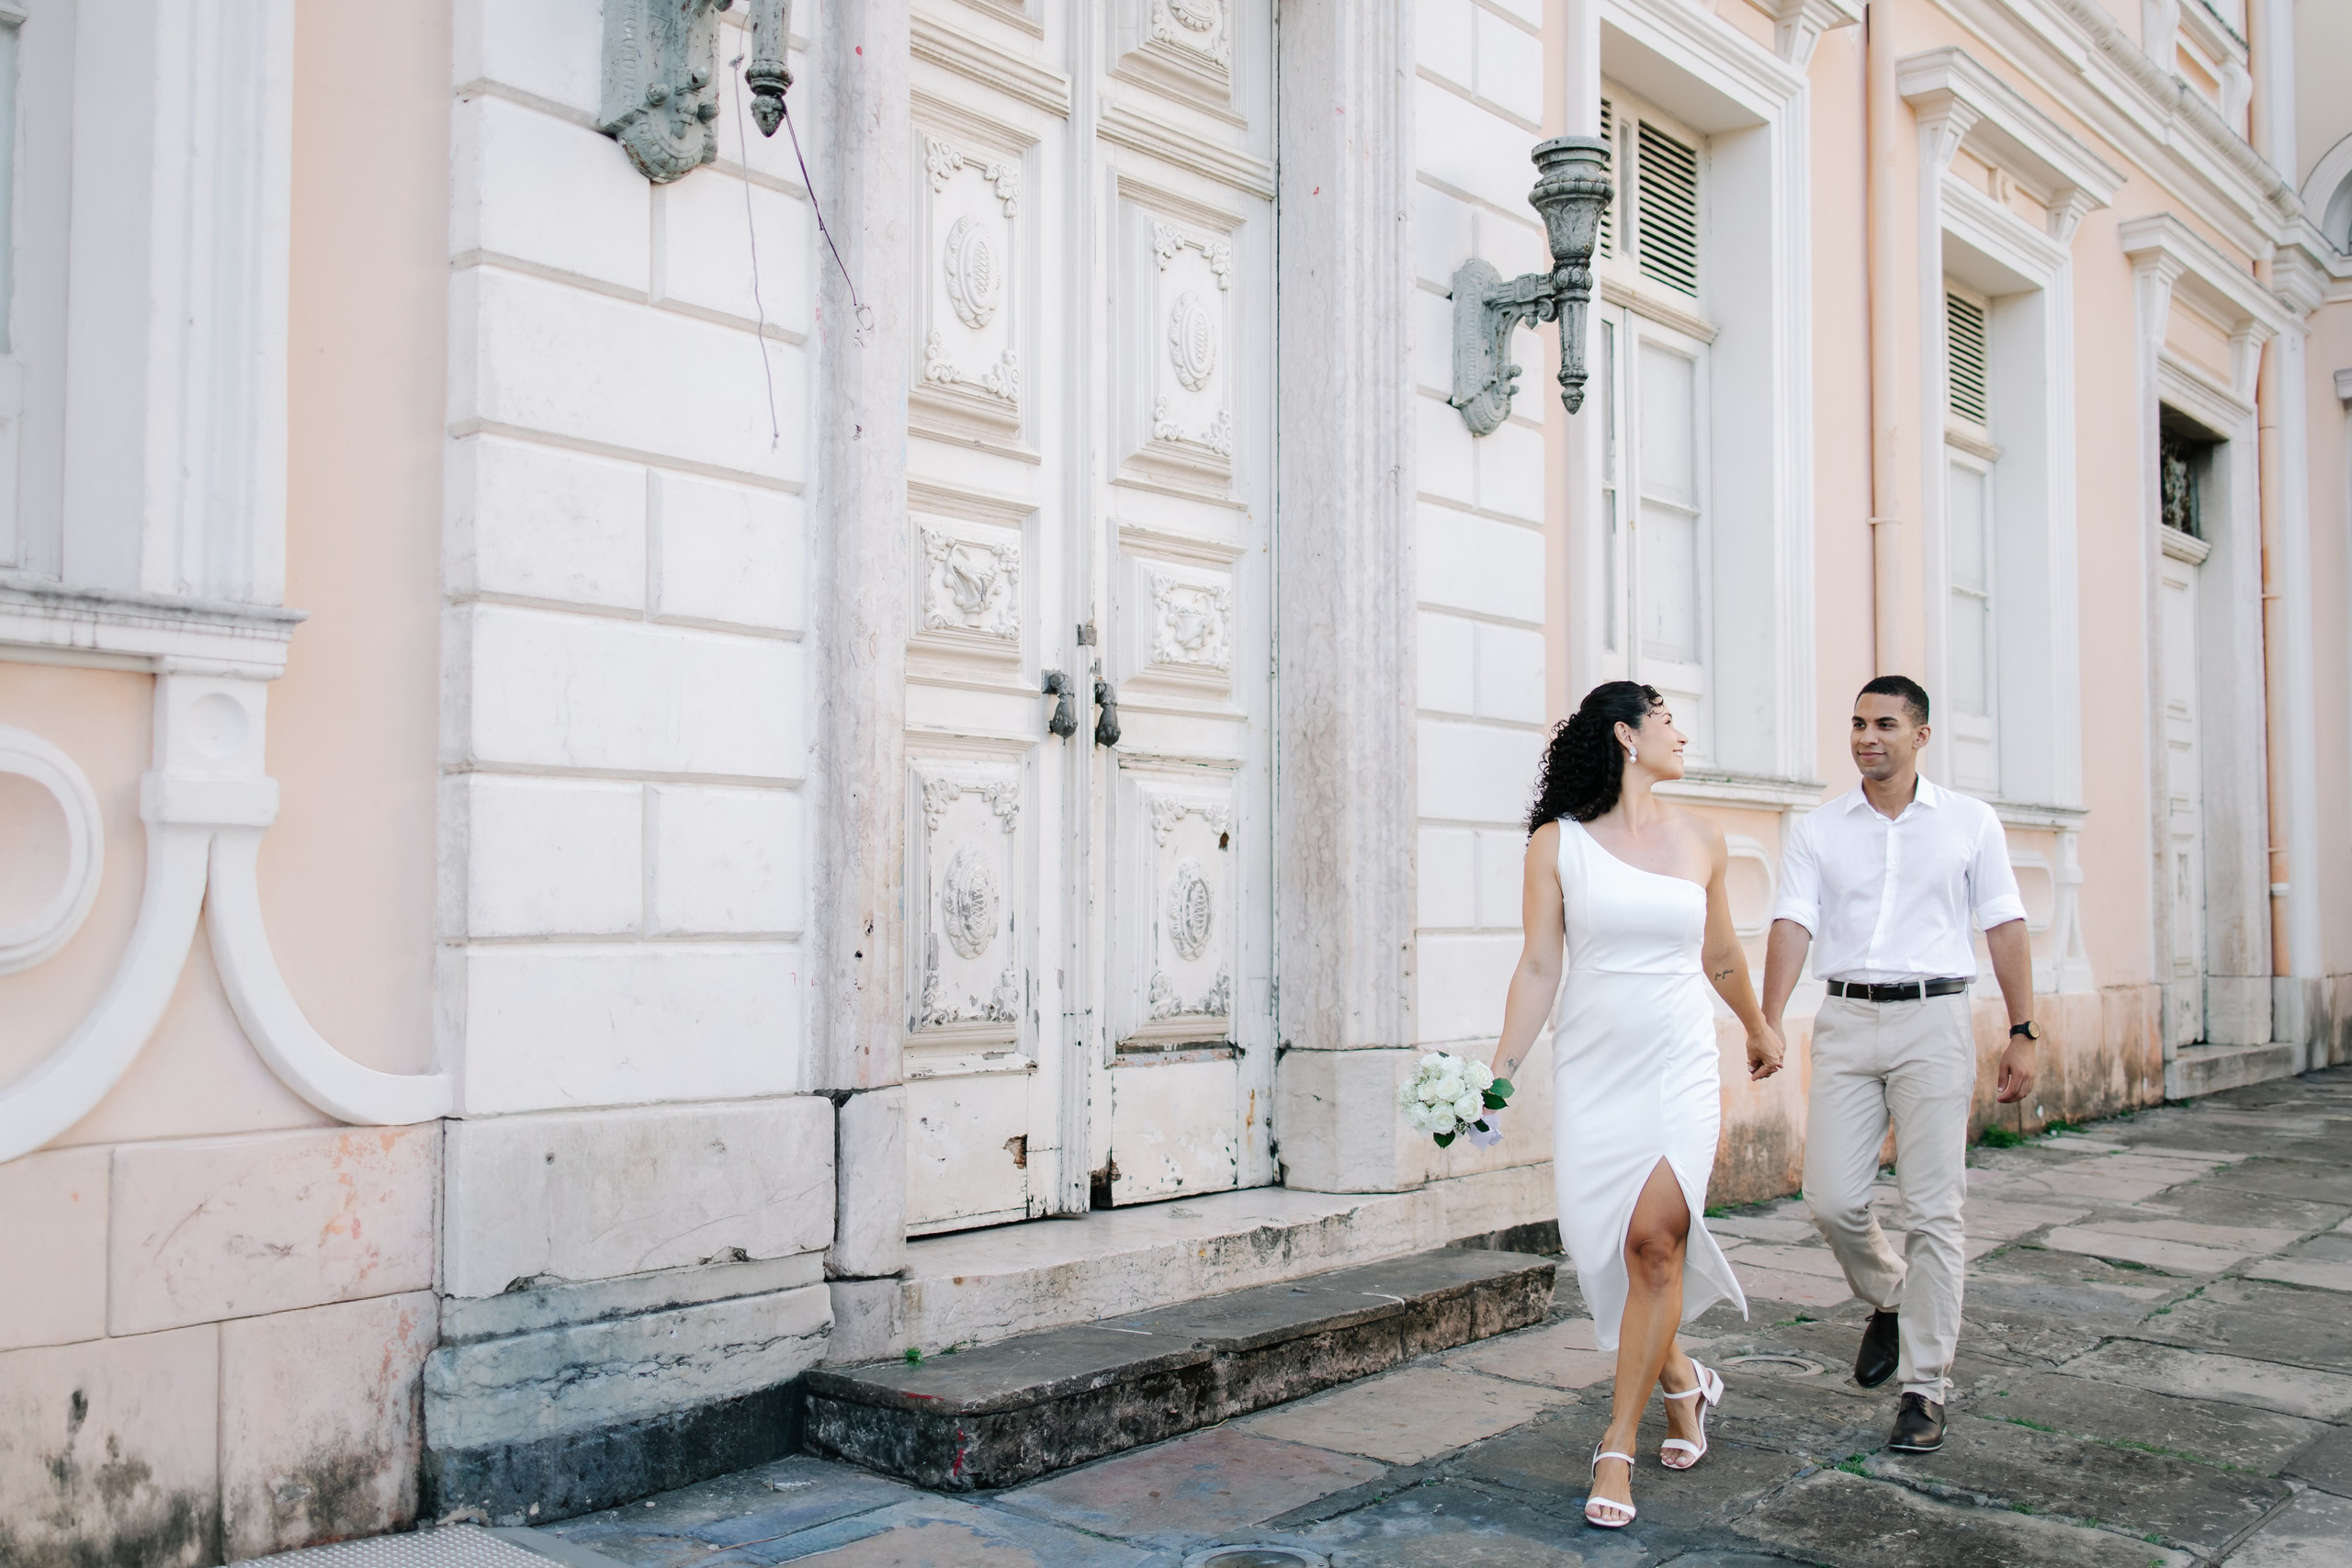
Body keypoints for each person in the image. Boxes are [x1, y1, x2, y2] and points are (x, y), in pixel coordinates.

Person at [1487, 682, 1783, 1529]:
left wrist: (1759, 1026)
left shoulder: (1703, 837)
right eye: (1666, 722)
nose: (1681, 734)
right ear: (1625, 735)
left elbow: (1720, 950)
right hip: (1596, 1067)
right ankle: (1685, 1382)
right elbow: (1540, 966)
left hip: (1679, 1063)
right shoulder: (1558, 845)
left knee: (1656, 1242)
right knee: (1610, 1253)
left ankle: (1615, 1445)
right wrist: (1499, 1075)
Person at [1758, 675, 2037, 1455]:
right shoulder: (1819, 828)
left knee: (1934, 1208)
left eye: (1883, 723)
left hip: (1934, 1019)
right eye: (1856, 723)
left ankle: (1925, 1388)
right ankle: (1891, 1293)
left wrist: (2024, 1029)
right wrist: (1769, 1018)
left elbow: (2005, 923)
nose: (1865, 737)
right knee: (1830, 1197)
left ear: (1920, 735)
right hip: (1846, 1018)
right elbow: (1792, 920)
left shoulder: (1970, 824)